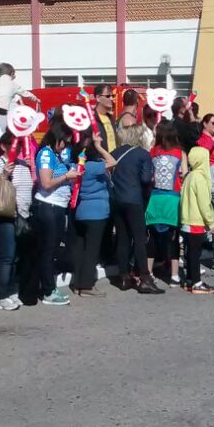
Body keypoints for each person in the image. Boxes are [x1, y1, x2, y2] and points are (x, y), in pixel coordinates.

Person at [108, 124, 161, 294]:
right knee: (139, 238)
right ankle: (144, 277)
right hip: (134, 199)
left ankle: (123, 277)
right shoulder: (143, 154)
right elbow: (146, 179)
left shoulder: (115, 153)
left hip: (116, 199)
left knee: (122, 238)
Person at [33, 121, 79, 305]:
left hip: (59, 206)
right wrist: (66, 177)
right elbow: (46, 183)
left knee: (52, 249)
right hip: (48, 205)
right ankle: (48, 291)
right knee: (48, 249)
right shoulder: (46, 153)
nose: (65, 146)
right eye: (64, 142)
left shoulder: (57, 155)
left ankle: (49, 287)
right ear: (57, 138)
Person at [0, 131, 33, 309]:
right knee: (6, 255)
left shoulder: (22, 164)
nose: (19, 148)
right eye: (15, 145)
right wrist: (4, 175)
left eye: (20, 144)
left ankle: (11, 289)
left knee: (15, 256)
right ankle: (1, 295)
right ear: (4, 146)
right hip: (4, 216)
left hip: (22, 215)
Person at [69, 131, 116, 298]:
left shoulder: (75, 167)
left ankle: (77, 283)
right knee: (92, 250)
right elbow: (113, 162)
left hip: (81, 210)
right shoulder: (93, 166)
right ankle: (87, 285)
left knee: (81, 249)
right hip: (97, 213)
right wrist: (100, 147)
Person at [145, 121, 185, 282]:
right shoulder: (179, 153)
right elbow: (184, 174)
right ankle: (175, 274)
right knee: (174, 237)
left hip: (154, 198)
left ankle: (148, 272)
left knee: (152, 238)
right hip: (173, 198)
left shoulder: (152, 152)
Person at [179, 145, 214, 294]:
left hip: (186, 221)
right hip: (196, 222)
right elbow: (204, 203)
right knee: (195, 254)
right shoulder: (200, 178)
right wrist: (211, 222)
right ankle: (197, 283)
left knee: (189, 253)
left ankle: (189, 280)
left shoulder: (189, 176)